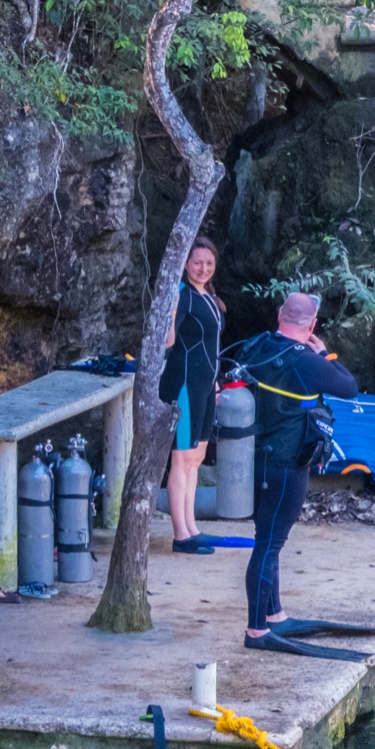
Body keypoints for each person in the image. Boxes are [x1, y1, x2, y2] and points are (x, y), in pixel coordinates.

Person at [232, 293, 375, 661]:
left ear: (279, 314)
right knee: (269, 544)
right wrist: (326, 353)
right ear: (312, 325)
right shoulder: (310, 362)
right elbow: (349, 386)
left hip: (252, 458)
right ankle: (257, 629)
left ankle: (274, 615)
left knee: (267, 538)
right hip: (287, 465)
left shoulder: (256, 347)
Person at [157, 237, 225, 555]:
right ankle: (180, 535)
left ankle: (192, 527)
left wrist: (215, 382)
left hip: (205, 386)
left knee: (196, 458)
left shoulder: (209, 297)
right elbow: (169, 342)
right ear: (185, 264)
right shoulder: (183, 295)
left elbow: (211, 346)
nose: (203, 268)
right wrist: (170, 311)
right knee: (181, 459)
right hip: (183, 385)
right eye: (197, 263)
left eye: (209, 263)